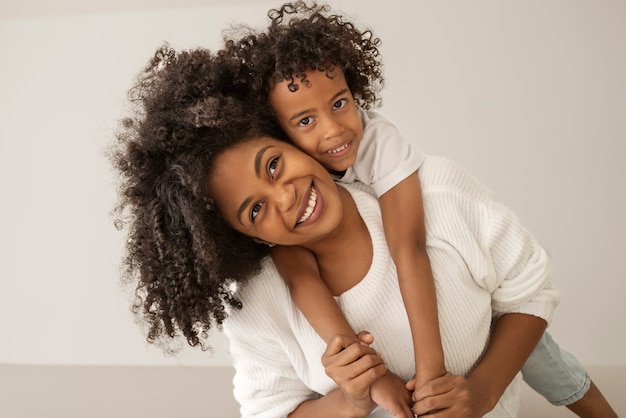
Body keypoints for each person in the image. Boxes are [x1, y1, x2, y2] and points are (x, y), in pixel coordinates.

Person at [112, 45, 560, 418]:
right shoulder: (260, 300)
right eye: (255, 210)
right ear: (240, 237)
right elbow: (270, 410)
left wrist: (483, 392)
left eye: (273, 164)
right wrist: (349, 400)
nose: (284, 198)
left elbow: (529, 291)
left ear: (291, 137)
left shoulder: (438, 193)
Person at [221, 2, 618, 417]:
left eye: (340, 104)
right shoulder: (282, 241)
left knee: (541, 353)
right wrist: (370, 379)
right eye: (304, 121)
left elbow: (409, 247)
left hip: (481, 303)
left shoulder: (383, 149)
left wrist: (434, 373)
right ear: (278, 128)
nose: (333, 130)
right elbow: (300, 278)